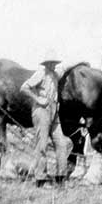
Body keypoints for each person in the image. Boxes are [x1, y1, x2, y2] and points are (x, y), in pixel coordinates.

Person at [20, 50, 70, 186]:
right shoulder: (40, 73)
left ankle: (61, 178)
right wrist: (38, 99)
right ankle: (40, 179)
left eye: (55, 63)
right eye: (51, 63)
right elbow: (24, 87)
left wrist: (82, 61)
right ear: (46, 64)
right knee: (41, 145)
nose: (53, 65)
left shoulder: (55, 75)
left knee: (62, 143)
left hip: (54, 111)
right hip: (41, 111)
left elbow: (66, 68)